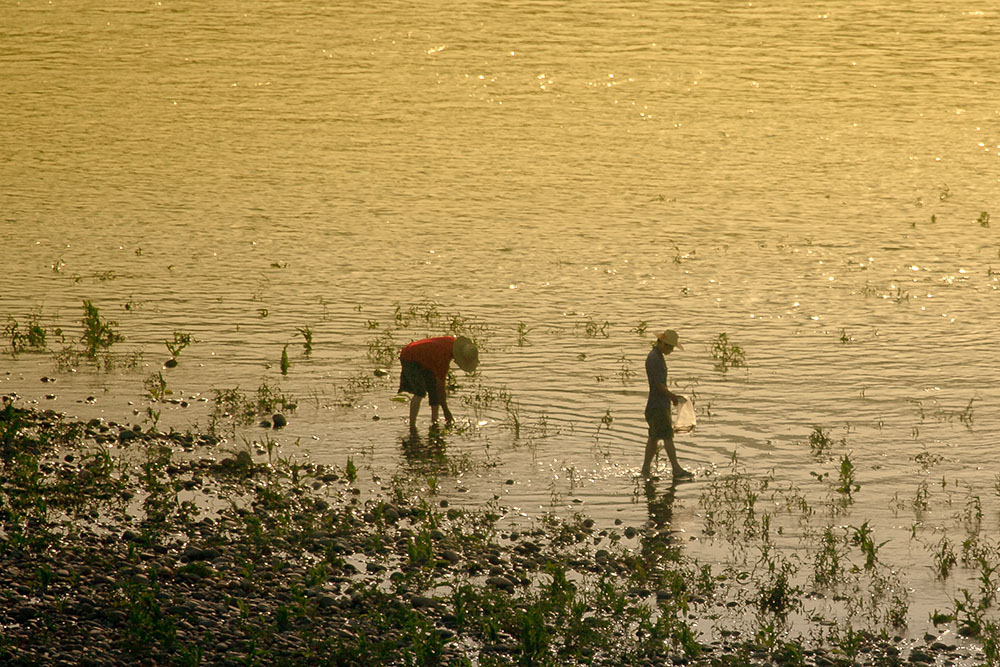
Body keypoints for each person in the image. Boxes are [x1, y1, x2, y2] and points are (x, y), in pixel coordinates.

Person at [398, 335, 479, 435]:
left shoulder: (451, 341)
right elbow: (440, 386)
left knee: (433, 390)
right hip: (409, 357)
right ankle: (412, 426)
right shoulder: (443, 357)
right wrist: (446, 411)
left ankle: (434, 421)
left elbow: (437, 388)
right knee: (419, 392)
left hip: (425, 358)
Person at [641, 329, 693, 479]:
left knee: (654, 437)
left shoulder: (656, 356)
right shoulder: (655, 359)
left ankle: (645, 470)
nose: (671, 350)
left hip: (655, 404)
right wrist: (673, 397)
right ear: (663, 343)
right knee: (667, 437)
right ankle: (676, 469)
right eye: (670, 347)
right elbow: (659, 385)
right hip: (658, 406)